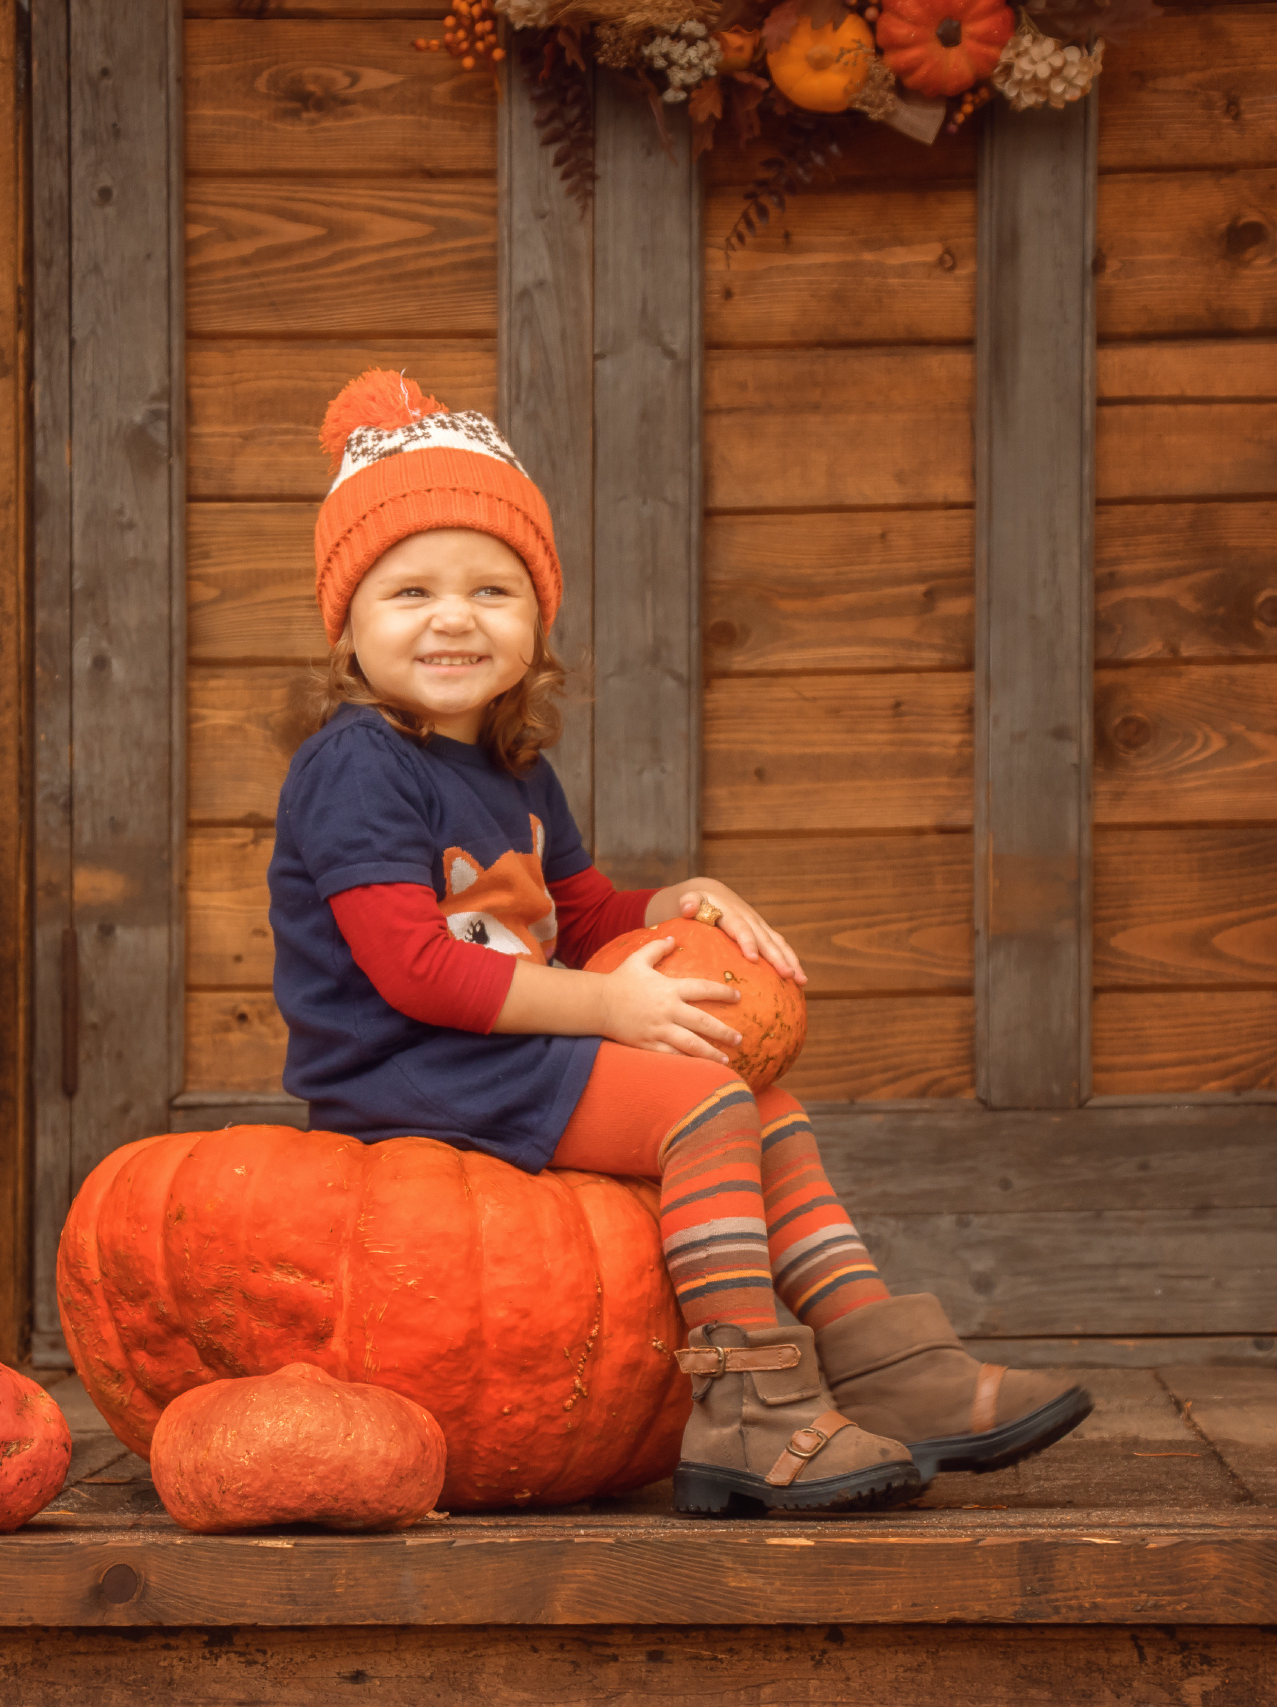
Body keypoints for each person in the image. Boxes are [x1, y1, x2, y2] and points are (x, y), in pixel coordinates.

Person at [269, 370, 1091, 1515]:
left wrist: (676, 902)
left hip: (494, 1049)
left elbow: (578, 912)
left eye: (492, 590)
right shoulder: (356, 764)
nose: (453, 617)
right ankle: (748, 1407)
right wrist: (607, 1011)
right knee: (700, 1102)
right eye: (408, 590)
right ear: (345, 624)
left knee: (765, 1107)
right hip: (406, 1070)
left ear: (536, 618)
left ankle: (888, 1366)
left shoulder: (511, 765)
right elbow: (414, 968)